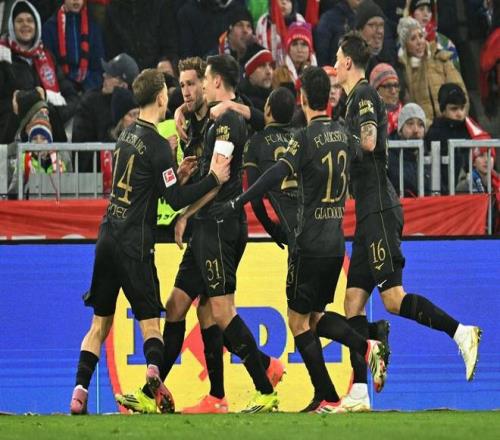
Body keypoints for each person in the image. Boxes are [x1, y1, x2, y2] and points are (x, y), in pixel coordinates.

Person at [115, 56, 284, 415]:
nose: (194, 89)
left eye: (200, 81)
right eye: (185, 85)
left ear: (216, 81)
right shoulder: (201, 121)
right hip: (206, 225)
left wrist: (185, 213)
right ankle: (159, 392)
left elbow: (218, 179)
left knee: (220, 311)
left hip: (220, 224)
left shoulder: (227, 122)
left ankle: (264, 388)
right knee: (178, 305)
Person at [216, 66, 387, 414]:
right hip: (336, 241)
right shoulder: (344, 133)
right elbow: (366, 152)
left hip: (307, 242)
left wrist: (239, 200)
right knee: (314, 318)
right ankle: (332, 388)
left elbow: (275, 174)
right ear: (329, 98)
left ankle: (364, 349)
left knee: (298, 322)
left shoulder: (304, 138)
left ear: (304, 98)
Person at [69, 68, 231, 415]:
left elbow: (148, 187)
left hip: (107, 236)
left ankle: (79, 392)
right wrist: (213, 179)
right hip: (134, 243)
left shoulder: (125, 134)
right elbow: (174, 200)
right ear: (160, 97)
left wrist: (176, 173)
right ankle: (154, 374)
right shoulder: (158, 146)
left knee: (99, 324)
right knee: (150, 324)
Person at [334, 31, 482, 413]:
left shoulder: (363, 95)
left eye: (336, 59)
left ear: (347, 62)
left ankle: (461, 332)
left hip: (379, 209)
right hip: (368, 212)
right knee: (353, 302)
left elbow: (368, 141)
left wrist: (337, 139)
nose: (334, 65)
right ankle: (359, 391)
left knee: (393, 300)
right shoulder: (352, 99)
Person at [72, 52, 139, 171]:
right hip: (93, 173)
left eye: (109, 75)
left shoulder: (137, 106)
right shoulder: (90, 102)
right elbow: (81, 145)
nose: (104, 76)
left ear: (123, 85)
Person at [397, 16, 467, 125]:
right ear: (405, 45)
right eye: (413, 39)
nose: (419, 42)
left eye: (421, 36)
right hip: (424, 129)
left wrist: (453, 120)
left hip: (451, 124)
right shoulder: (404, 71)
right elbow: (409, 109)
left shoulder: (441, 59)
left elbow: (461, 94)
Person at [42, 0, 105, 92]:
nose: (76, 1)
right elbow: (49, 66)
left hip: (90, 89)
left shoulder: (93, 25)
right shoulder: (50, 27)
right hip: (62, 88)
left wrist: (89, 86)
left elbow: (99, 65)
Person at [388, 102, 427, 197]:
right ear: (400, 129)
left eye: (420, 125)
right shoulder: (388, 155)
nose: (416, 130)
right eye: (410, 124)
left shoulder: (430, 153)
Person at [238, 42, 274, 111]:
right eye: (262, 65)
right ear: (250, 73)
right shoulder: (242, 104)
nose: (269, 72)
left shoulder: (276, 99)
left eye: (270, 65)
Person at [369, 63, 402, 136]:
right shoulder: (366, 117)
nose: (393, 91)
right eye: (388, 86)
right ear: (376, 90)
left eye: (396, 85)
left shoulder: (407, 116)